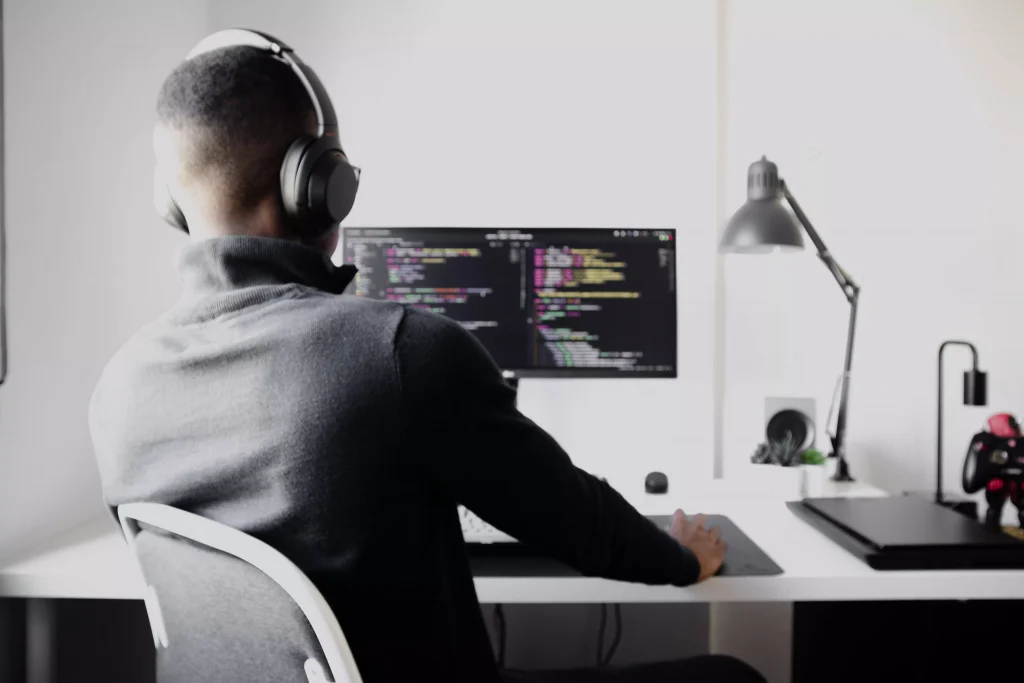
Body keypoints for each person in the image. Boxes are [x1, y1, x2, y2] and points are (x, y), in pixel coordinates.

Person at [89, 37, 766, 683]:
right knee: (731, 673)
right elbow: (577, 521)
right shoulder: (399, 351)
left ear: (173, 201)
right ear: (319, 184)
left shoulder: (117, 391)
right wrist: (683, 556)